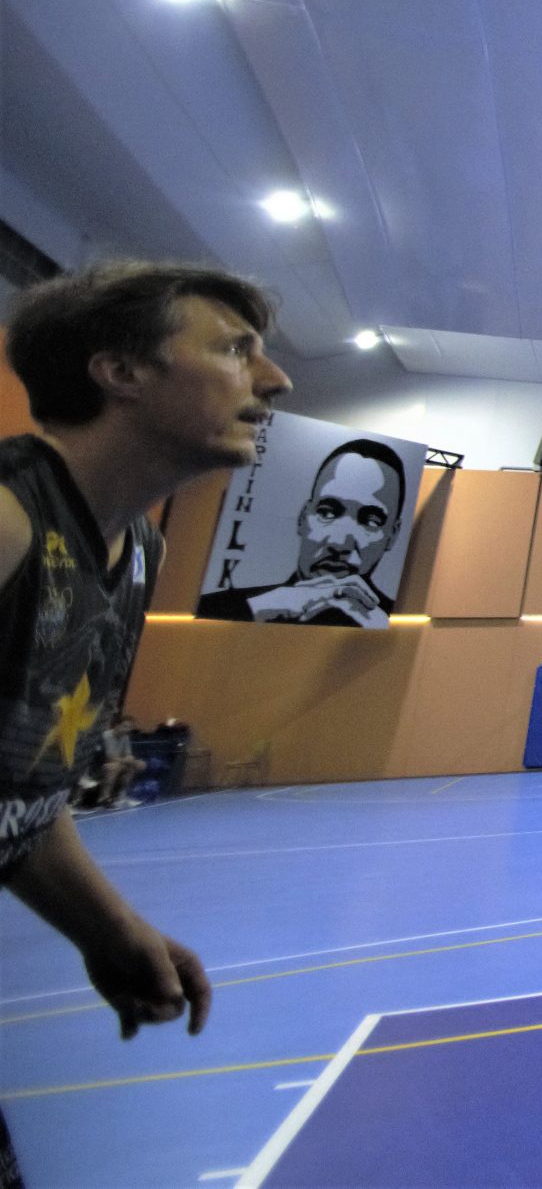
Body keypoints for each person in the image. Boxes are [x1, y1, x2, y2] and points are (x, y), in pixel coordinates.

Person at [3, 262, 294, 1184]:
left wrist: (105, 926)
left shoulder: (136, 553)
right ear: (120, 371)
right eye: (235, 349)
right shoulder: (7, 521)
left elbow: (18, 790)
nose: (276, 379)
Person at [195, 437, 408, 626]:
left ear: (392, 535)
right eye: (327, 513)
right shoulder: (227, 607)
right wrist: (258, 610)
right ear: (303, 517)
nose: (339, 542)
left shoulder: (400, 619)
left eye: (370, 522)